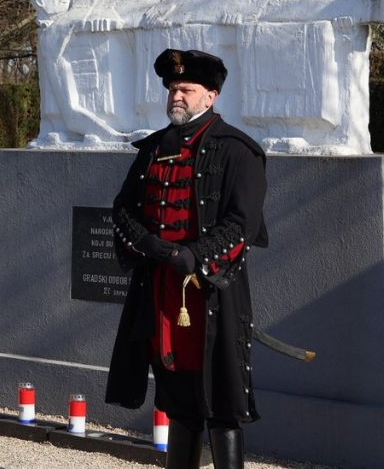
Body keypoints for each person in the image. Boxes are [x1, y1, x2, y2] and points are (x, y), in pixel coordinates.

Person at [105, 49, 268, 469]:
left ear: (210, 96)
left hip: (212, 292)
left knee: (221, 400)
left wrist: (194, 255)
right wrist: (149, 245)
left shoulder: (238, 150)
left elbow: (243, 224)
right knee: (178, 399)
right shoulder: (152, 149)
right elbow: (122, 209)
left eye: (187, 90)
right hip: (160, 291)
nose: (176, 96)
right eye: (173, 89)